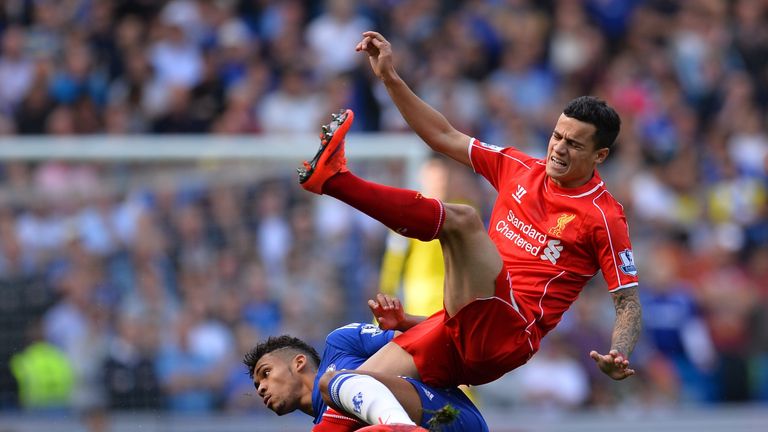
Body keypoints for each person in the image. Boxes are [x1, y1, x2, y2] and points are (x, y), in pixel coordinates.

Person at [296, 30, 642, 425]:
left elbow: (628, 302)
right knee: (350, 390)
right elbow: (443, 135)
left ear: (600, 155)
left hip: (508, 331)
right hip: (454, 324)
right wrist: (390, 77)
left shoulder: (604, 216)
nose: (559, 149)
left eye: (574, 145)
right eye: (556, 136)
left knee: (461, 220)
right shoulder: (518, 167)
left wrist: (620, 351)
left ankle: (335, 180)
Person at [244, 294, 488, 432]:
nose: (261, 388)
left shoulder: (340, 343)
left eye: (265, 373)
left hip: (451, 416)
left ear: (299, 362)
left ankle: (399, 428)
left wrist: (404, 322)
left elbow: (436, 335)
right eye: (256, 386)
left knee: (333, 383)